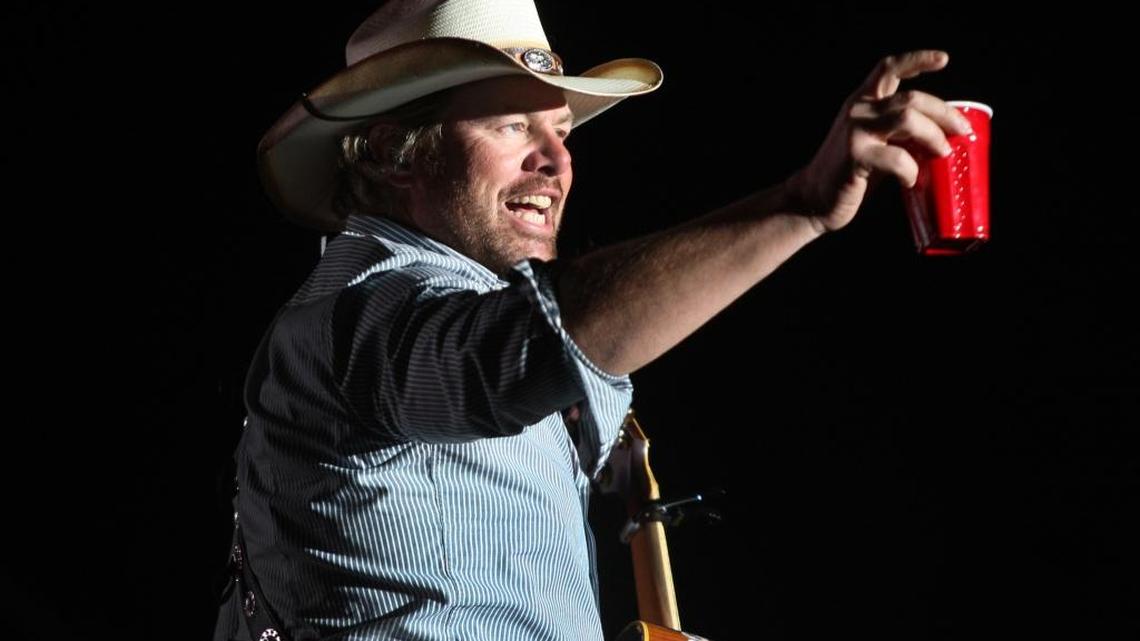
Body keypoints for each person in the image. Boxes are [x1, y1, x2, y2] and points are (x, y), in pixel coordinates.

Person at [214, 1, 975, 640]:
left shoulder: (447, 307)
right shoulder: (360, 312)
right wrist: (801, 204)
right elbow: (519, 351)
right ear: (392, 152)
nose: (557, 160)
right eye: (512, 126)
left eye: (563, 131)